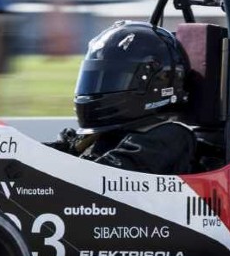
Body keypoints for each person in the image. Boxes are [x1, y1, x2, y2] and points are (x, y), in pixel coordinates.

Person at [48, 21, 198, 176]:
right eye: (95, 78)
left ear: (152, 83)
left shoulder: (170, 137)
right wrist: (65, 149)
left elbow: (100, 178)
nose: (100, 86)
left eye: (112, 79)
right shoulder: (112, 132)